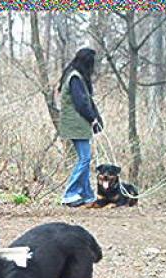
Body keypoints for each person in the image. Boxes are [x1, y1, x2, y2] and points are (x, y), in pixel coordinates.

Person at [57, 47, 104, 208]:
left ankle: (86, 195)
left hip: (76, 124)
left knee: (85, 158)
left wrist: (97, 119)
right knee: (85, 158)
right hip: (76, 124)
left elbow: (86, 100)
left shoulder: (74, 75)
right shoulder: (75, 78)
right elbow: (81, 103)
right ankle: (69, 193)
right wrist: (92, 119)